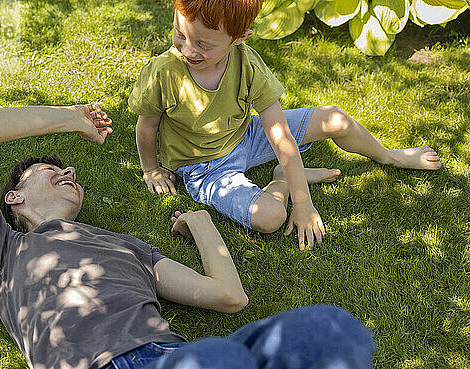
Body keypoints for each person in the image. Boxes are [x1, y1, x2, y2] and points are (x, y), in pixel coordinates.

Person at [0, 104, 375, 369]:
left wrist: (202, 222)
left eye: (67, 170)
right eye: (51, 172)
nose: (68, 172)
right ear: (13, 197)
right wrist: (69, 119)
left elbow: (228, 296)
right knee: (221, 360)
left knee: (334, 330)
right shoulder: (1, 249)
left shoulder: (128, 248)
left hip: (177, 357)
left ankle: (280, 179)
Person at [128, 0, 442, 250]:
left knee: (335, 119)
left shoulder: (247, 63)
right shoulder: (163, 72)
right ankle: (280, 179)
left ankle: (389, 155)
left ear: (239, 38)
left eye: (205, 45)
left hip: (245, 135)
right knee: (272, 216)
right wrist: (151, 169)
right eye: (181, 34)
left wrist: (303, 204)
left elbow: (279, 135)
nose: (188, 50)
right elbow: (147, 127)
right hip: (205, 169)